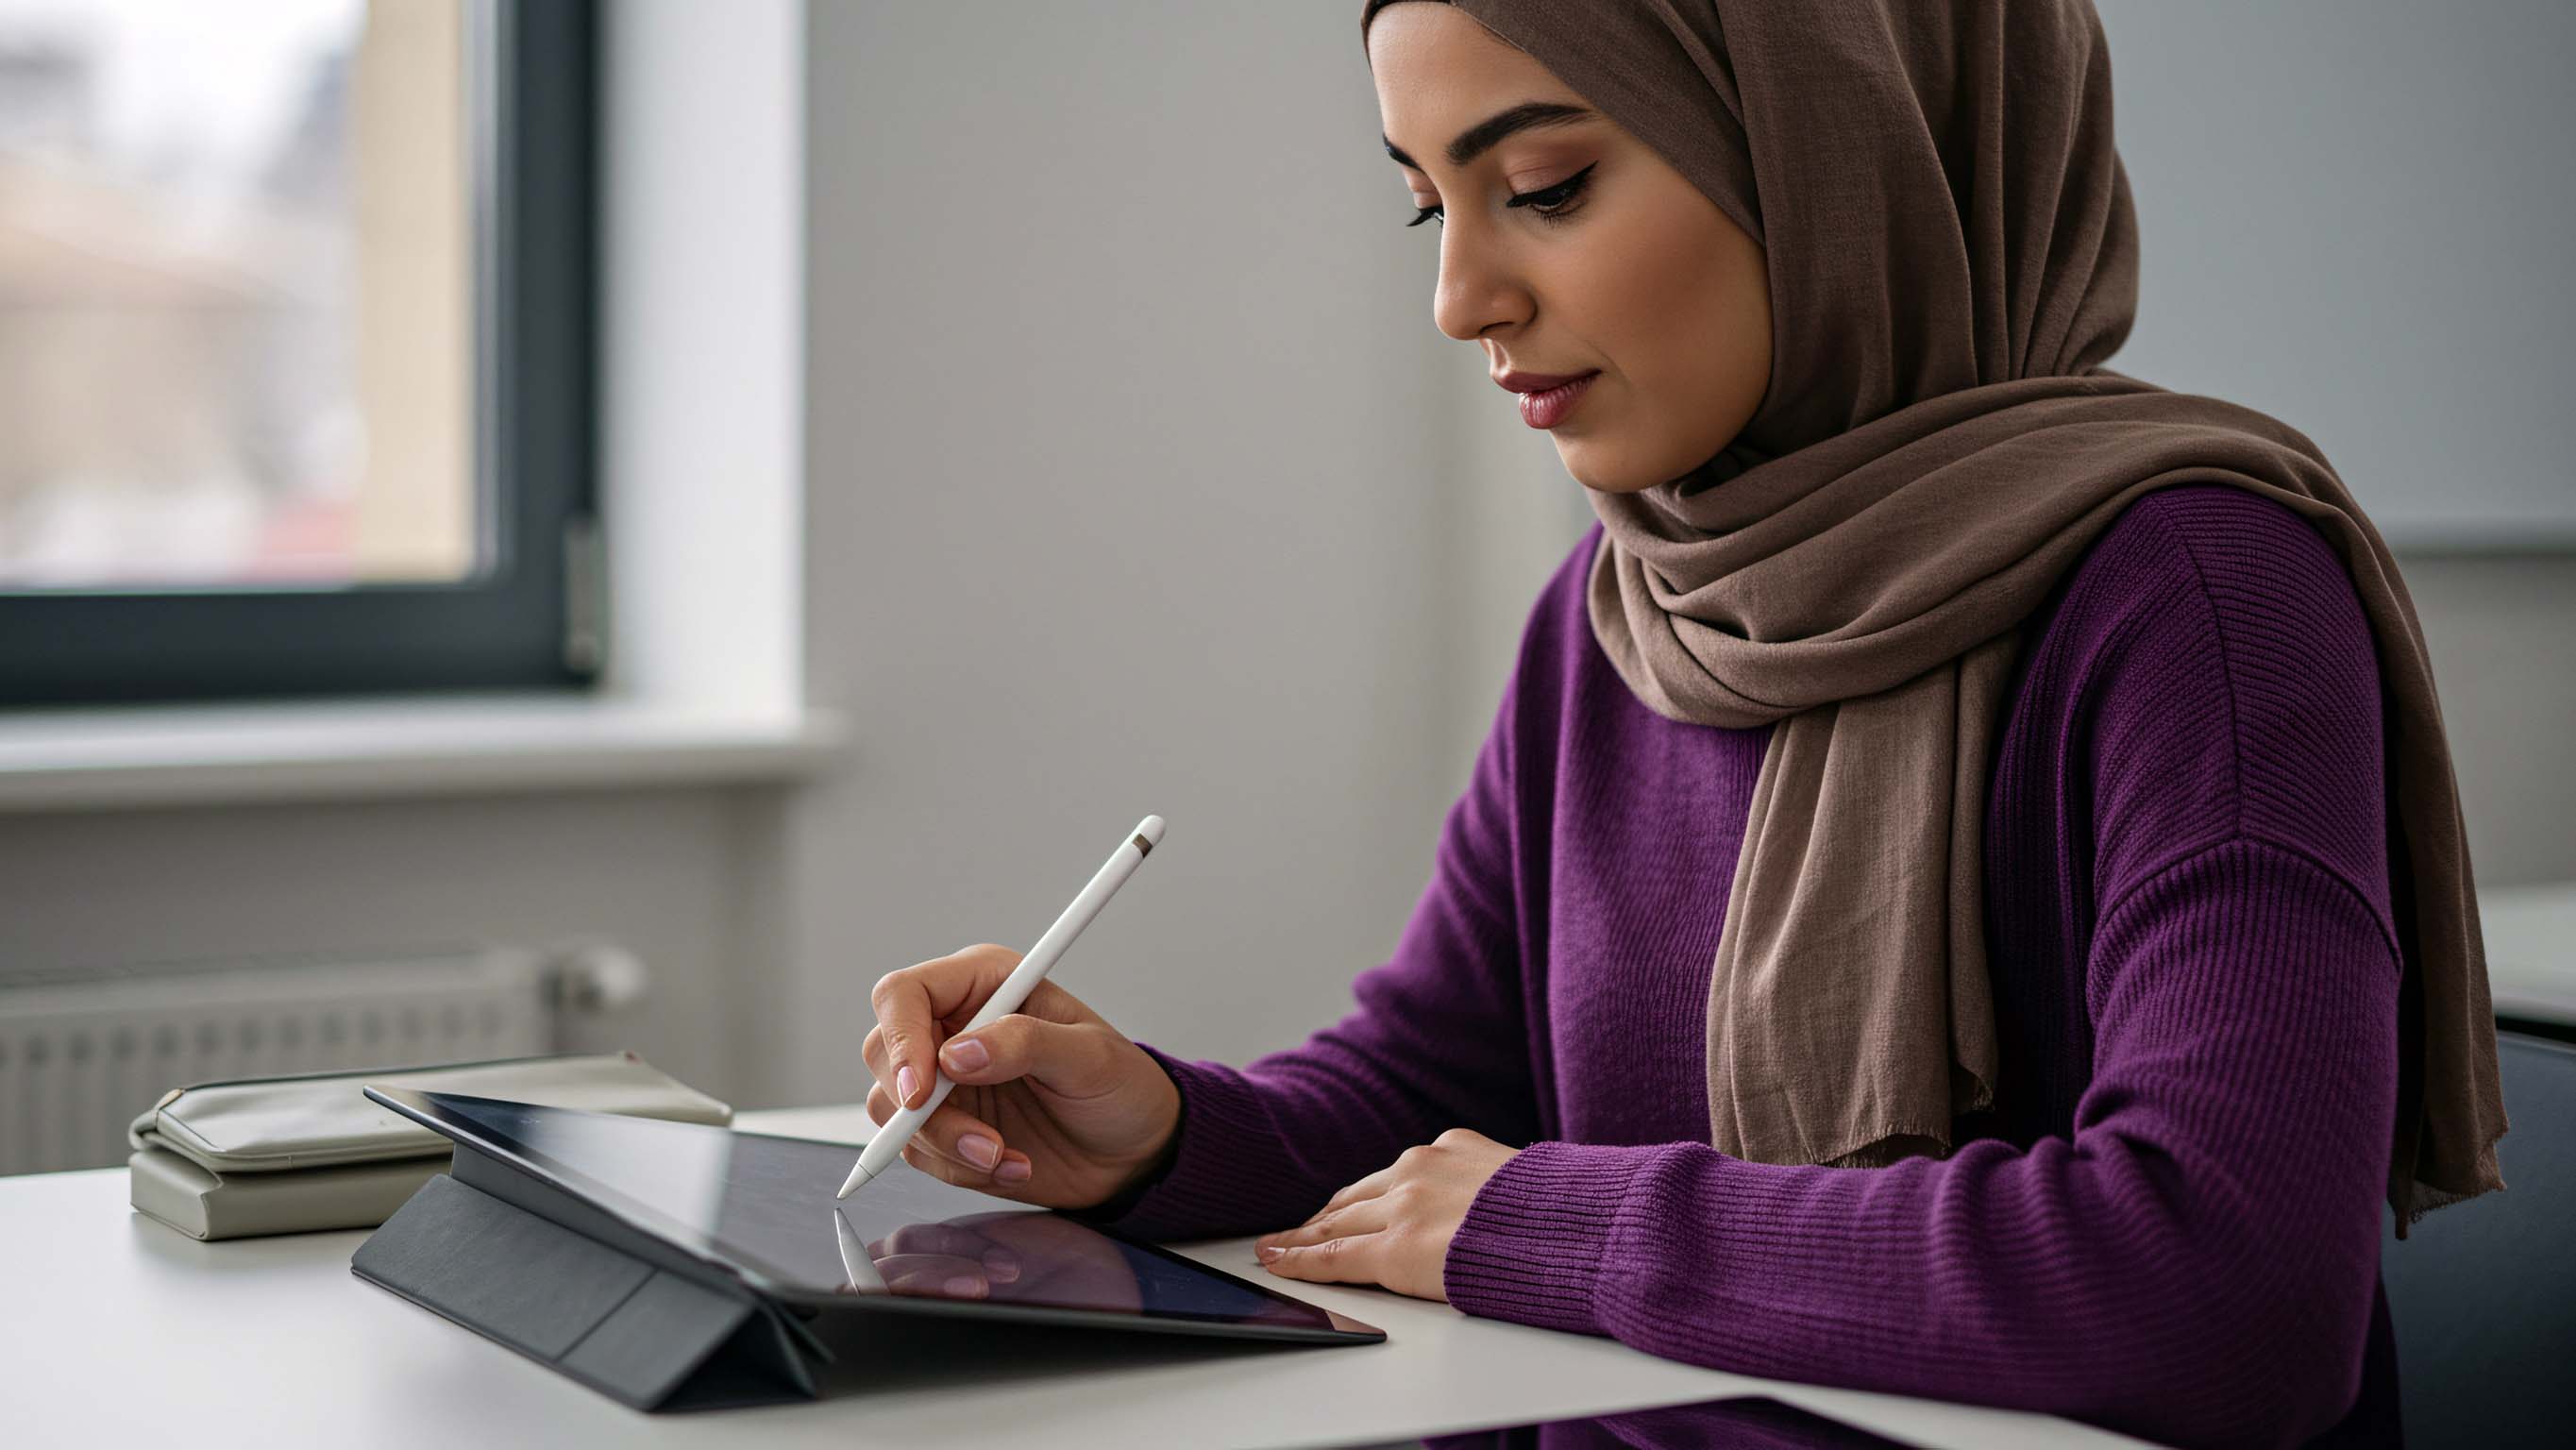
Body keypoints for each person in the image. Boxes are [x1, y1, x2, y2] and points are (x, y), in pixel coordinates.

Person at [859, 3, 2509, 1445]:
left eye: (1543, 186)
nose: (1458, 298)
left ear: (1840, 154)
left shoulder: (2200, 595)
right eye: (1426, 203)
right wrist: (1156, 1129)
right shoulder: (1627, 606)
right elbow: (1436, 1089)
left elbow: (2224, 1291)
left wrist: (1553, 1226)